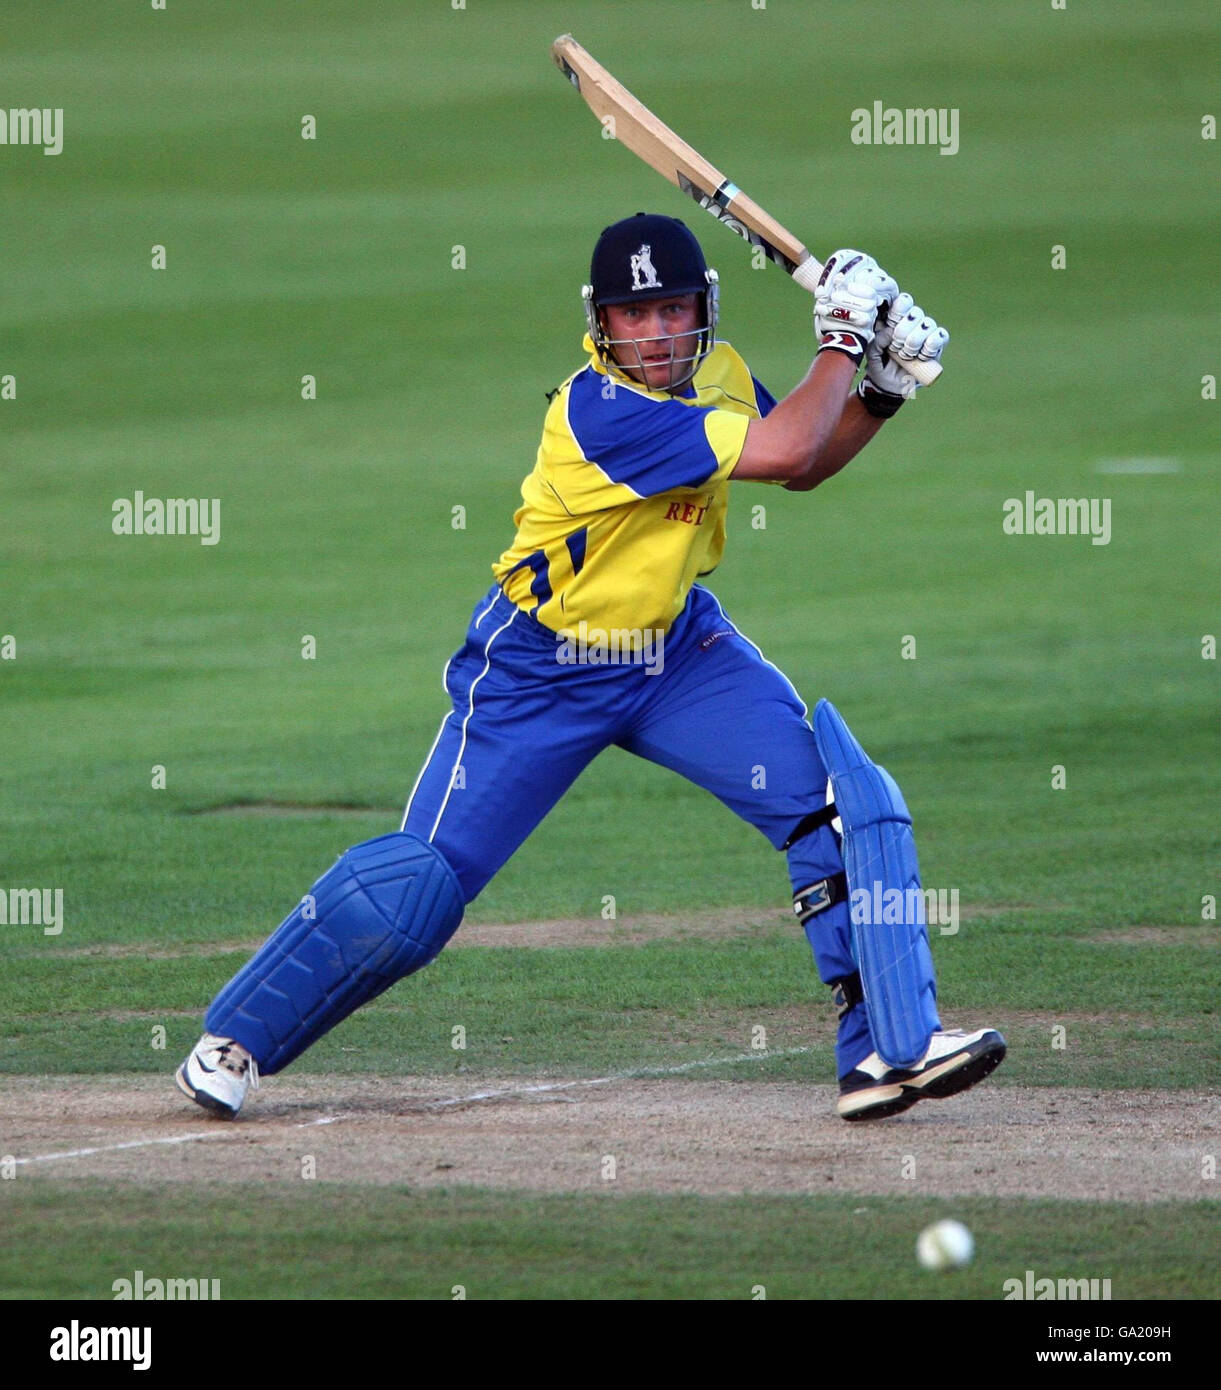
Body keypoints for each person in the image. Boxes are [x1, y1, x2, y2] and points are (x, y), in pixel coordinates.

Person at [176, 212, 1004, 1123]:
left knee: (837, 809)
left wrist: (878, 385)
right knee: (414, 891)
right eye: (633, 315)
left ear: (704, 309)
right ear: (601, 324)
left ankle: (886, 1052)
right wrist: (845, 336)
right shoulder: (602, 412)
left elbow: (803, 462)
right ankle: (237, 1039)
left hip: (676, 655)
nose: (654, 333)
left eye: (672, 309)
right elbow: (786, 446)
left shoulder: (719, 378)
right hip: (540, 669)